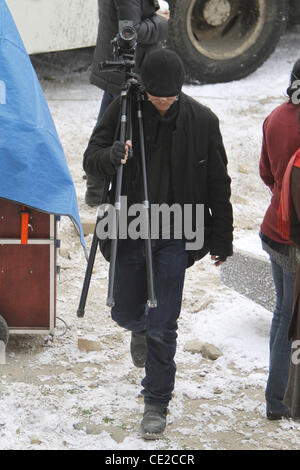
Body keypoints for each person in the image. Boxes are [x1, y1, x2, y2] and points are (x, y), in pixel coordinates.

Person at [83, 48, 233, 439]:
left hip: (177, 231)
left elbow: (219, 184)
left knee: (163, 324)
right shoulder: (123, 110)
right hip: (130, 225)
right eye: (155, 96)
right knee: (125, 313)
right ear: (144, 88)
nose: (162, 102)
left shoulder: (203, 121)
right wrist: (111, 156)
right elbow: (91, 158)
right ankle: (139, 328)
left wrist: (223, 236)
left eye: (169, 96)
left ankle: (156, 402)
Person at [85, 0, 169, 206]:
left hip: (121, 69)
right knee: (118, 131)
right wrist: (161, 22)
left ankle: (96, 188)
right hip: (127, 70)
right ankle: (99, 188)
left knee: (107, 127)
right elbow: (130, 31)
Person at [259, 58, 300, 421]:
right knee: (291, 319)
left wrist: (282, 197)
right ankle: (283, 400)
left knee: (283, 314)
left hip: (274, 230)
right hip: (295, 239)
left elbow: (266, 172)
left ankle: (277, 398)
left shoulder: (275, 117)